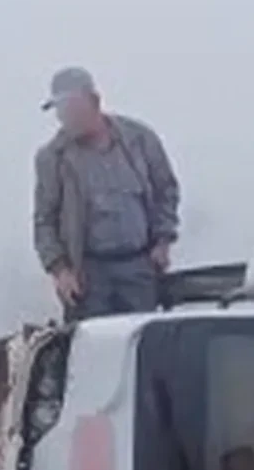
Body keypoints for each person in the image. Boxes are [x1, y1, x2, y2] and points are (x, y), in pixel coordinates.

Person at [33, 66, 180, 321]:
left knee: (143, 342)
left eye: (71, 109)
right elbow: (44, 220)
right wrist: (60, 270)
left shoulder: (139, 139)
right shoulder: (52, 158)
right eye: (61, 111)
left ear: (94, 102)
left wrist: (163, 241)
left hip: (139, 267)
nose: (65, 118)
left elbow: (166, 189)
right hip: (89, 276)